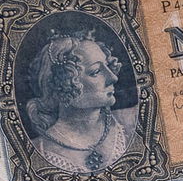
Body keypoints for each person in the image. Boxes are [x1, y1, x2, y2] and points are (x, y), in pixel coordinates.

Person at [24, 31, 141, 173]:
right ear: (63, 83)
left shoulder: (131, 121)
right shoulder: (38, 151)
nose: (113, 77)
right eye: (96, 71)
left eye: (107, 66)